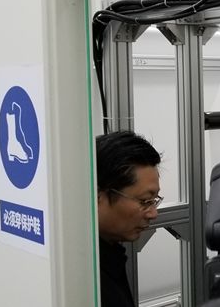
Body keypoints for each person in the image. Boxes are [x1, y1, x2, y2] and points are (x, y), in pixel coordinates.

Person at [96, 130, 162, 307]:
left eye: (154, 200)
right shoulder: (82, 277)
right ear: (97, 196)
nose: (153, 214)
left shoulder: (109, 256)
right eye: (145, 201)